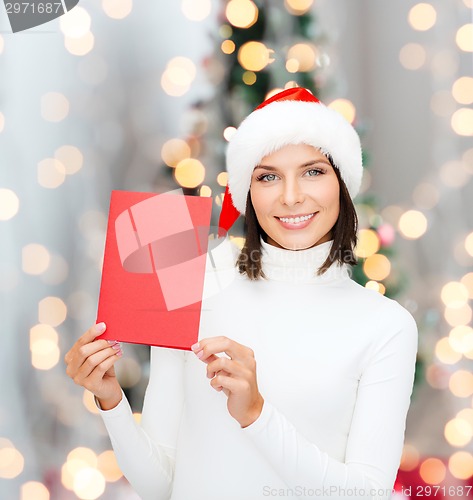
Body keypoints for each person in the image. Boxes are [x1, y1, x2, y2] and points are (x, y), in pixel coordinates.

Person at [65, 88, 418, 500]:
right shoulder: (194, 279)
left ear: (342, 181)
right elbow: (161, 485)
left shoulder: (385, 325)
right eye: (268, 176)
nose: (291, 196)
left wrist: (256, 415)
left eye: (313, 171)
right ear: (247, 189)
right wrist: (111, 401)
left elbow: (367, 494)